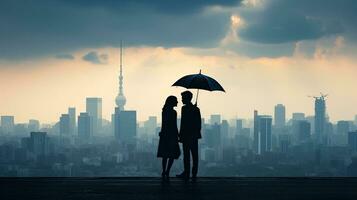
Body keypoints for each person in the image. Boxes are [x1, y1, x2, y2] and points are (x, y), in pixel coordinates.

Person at [176, 91, 201, 181]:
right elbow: (198, 124)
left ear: (187, 98)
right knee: (194, 155)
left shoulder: (185, 109)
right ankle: (194, 173)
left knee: (187, 155)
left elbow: (183, 123)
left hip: (186, 136)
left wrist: (180, 135)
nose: (182, 99)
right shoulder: (196, 109)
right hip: (193, 136)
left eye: (183, 98)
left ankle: (187, 172)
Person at [157, 96, 181, 180]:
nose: (177, 102)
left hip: (165, 135)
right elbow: (174, 125)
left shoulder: (164, 111)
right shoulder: (173, 112)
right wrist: (178, 135)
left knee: (165, 154)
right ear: (172, 102)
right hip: (172, 135)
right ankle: (167, 171)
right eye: (176, 101)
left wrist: (162, 132)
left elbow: (164, 124)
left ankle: (164, 171)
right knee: (172, 154)